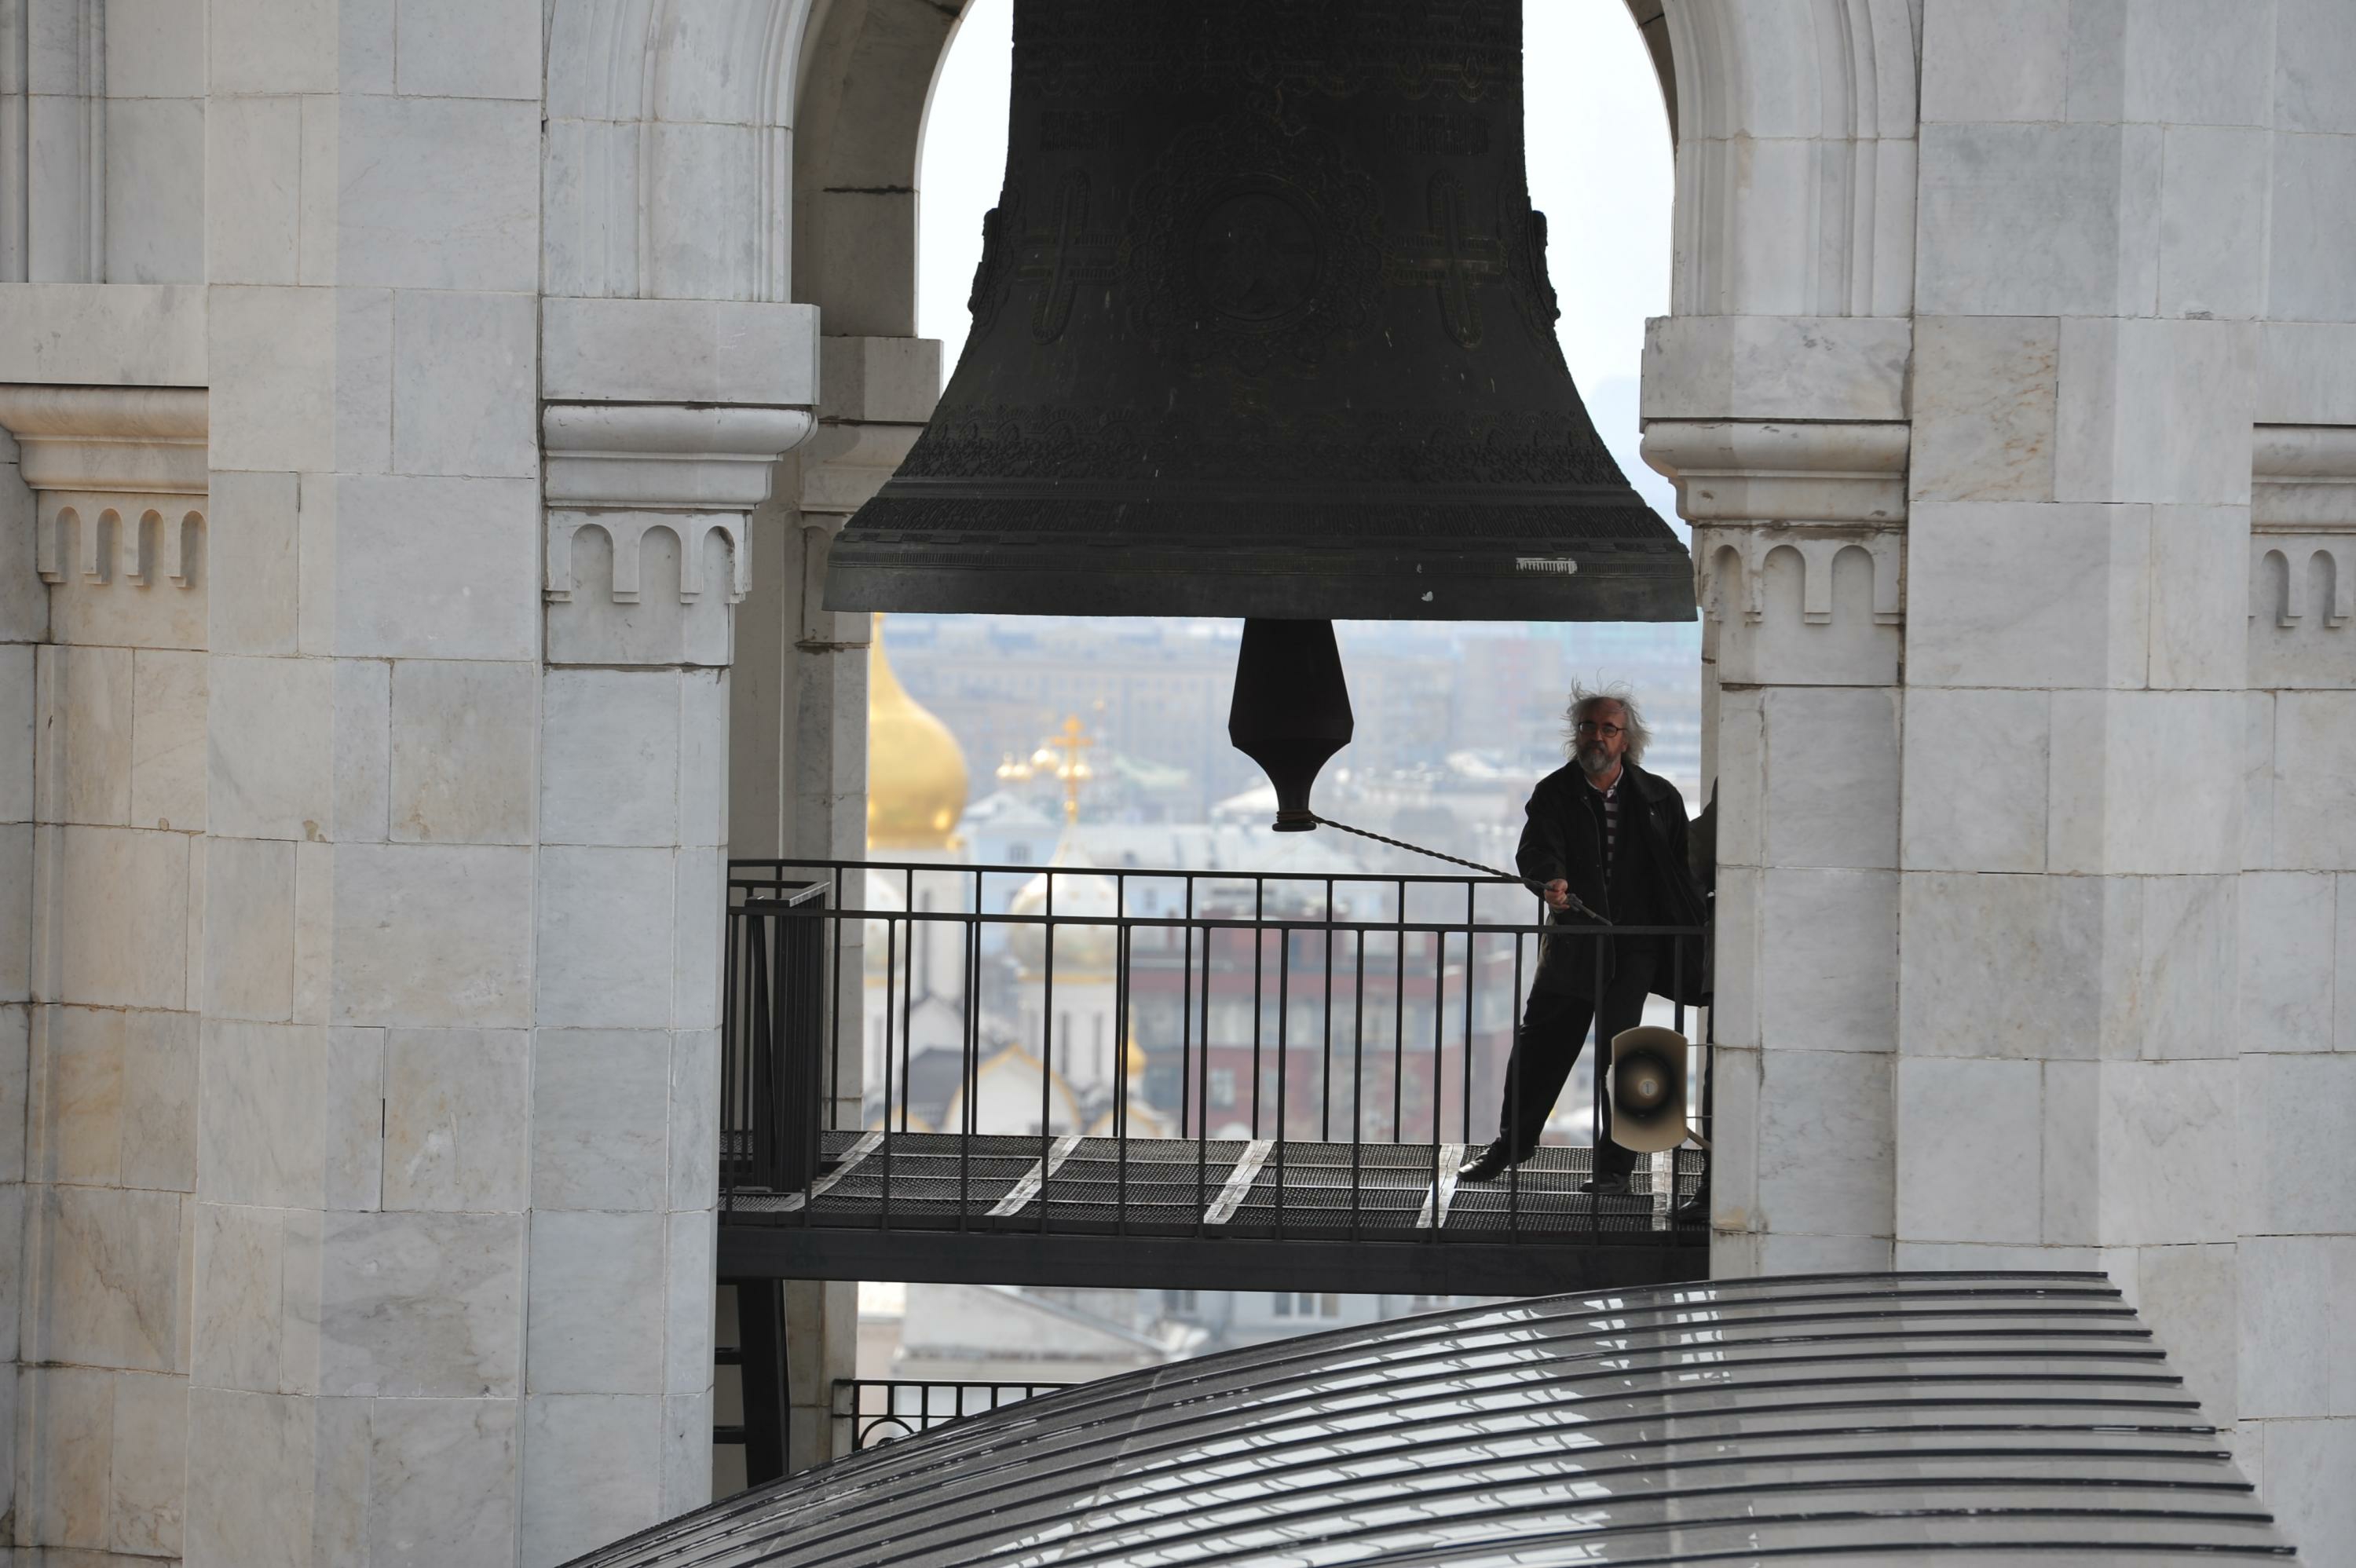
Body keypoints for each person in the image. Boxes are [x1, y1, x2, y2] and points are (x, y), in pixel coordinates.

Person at [1459, 684, 1706, 1192]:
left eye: (1608, 728)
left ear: (1626, 739)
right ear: (1577, 733)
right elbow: (1537, 850)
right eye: (1589, 726)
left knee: (1629, 1056)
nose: (1597, 736)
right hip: (1575, 943)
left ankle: (1616, 1171)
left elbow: (1680, 870)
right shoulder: (1554, 792)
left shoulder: (1660, 797)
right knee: (1541, 1046)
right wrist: (1551, 880)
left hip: (1635, 947)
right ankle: (1512, 1145)